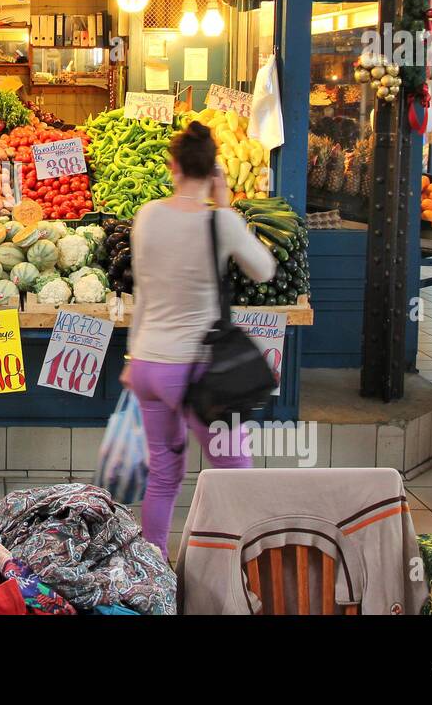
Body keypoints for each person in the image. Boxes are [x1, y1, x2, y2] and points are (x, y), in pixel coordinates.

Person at [120, 121, 276, 557]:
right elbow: (263, 270)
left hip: (149, 366)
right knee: (235, 477)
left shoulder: (147, 215)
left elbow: (144, 292)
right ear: (214, 171)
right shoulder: (220, 221)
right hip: (196, 374)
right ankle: (237, 569)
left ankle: (153, 573)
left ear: (173, 165)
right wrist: (226, 208)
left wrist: (133, 357)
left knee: (165, 476)